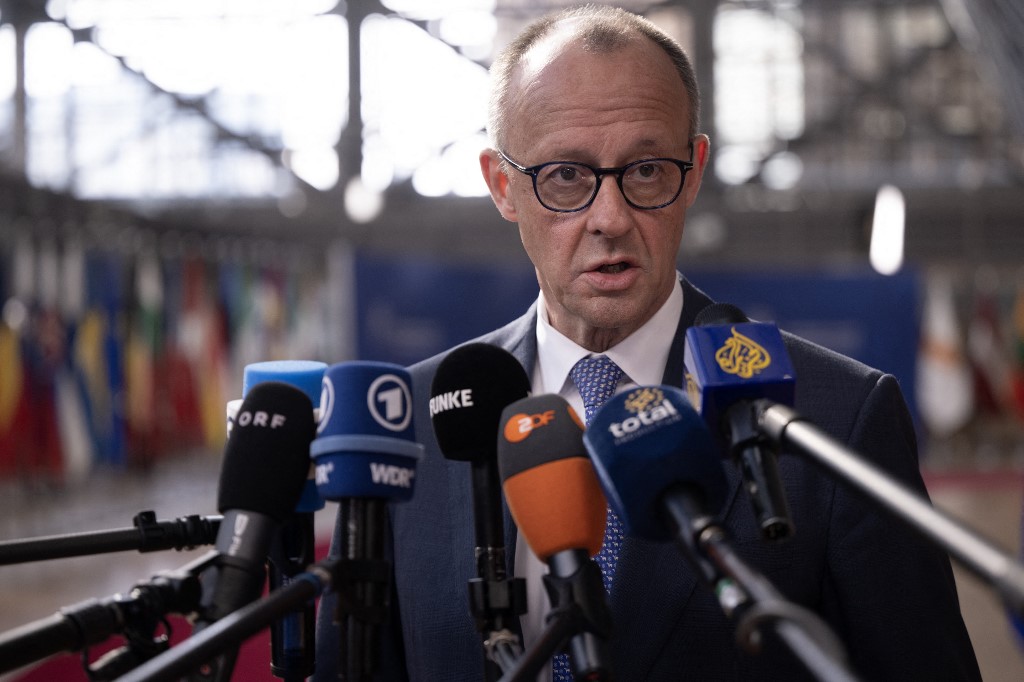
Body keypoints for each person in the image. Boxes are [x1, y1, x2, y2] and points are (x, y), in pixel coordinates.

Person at [315, 5, 980, 680]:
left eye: (646, 170)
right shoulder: (408, 424)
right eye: (566, 176)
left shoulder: (837, 417)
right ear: (502, 186)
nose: (609, 218)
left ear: (692, 171)